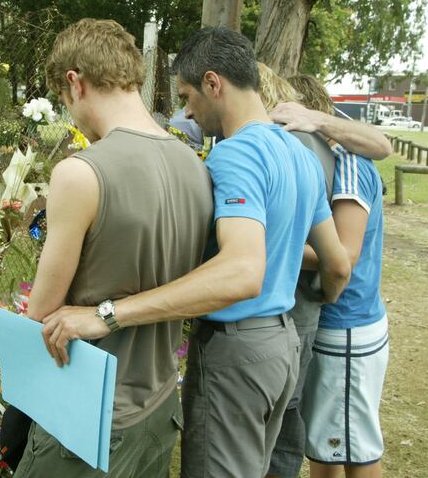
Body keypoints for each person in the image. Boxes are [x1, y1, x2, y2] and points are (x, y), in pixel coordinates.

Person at [38, 26, 353, 477]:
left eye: (187, 96)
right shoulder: (300, 154)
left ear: (213, 83)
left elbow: (243, 272)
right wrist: (319, 299)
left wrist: (108, 314)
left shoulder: (233, 157)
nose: (186, 110)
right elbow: (337, 263)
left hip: (236, 346)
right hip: (285, 340)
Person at [12, 18, 214, 478]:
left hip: (89, 415)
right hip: (159, 407)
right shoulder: (195, 166)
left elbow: (42, 311)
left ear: (75, 83)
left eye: (65, 102)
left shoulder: (80, 172)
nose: (72, 116)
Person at [265, 70, 391, 478]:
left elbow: (343, 256)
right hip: (341, 325)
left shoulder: (349, 165)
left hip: (346, 324)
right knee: (329, 445)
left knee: (353, 449)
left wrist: (263, 248)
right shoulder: (336, 161)